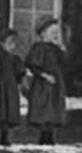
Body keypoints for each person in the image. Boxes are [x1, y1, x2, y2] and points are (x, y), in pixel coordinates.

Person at [25, 17, 67, 145]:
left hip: (55, 84)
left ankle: (50, 135)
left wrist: (61, 48)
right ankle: (43, 136)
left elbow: (64, 63)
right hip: (43, 85)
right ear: (43, 33)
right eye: (51, 31)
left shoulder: (55, 49)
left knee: (54, 108)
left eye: (56, 32)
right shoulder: (39, 48)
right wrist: (44, 75)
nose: (55, 34)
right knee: (44, 109)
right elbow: (32, 65)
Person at [0, 27, 24, 146]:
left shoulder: (14, 59)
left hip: (10, 89)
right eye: (10, 43)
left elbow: (19, 73)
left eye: (14, 43)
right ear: (2, 43)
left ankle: (4, 135)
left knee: (8, 112)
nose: (13, 46)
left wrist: (21, 83)